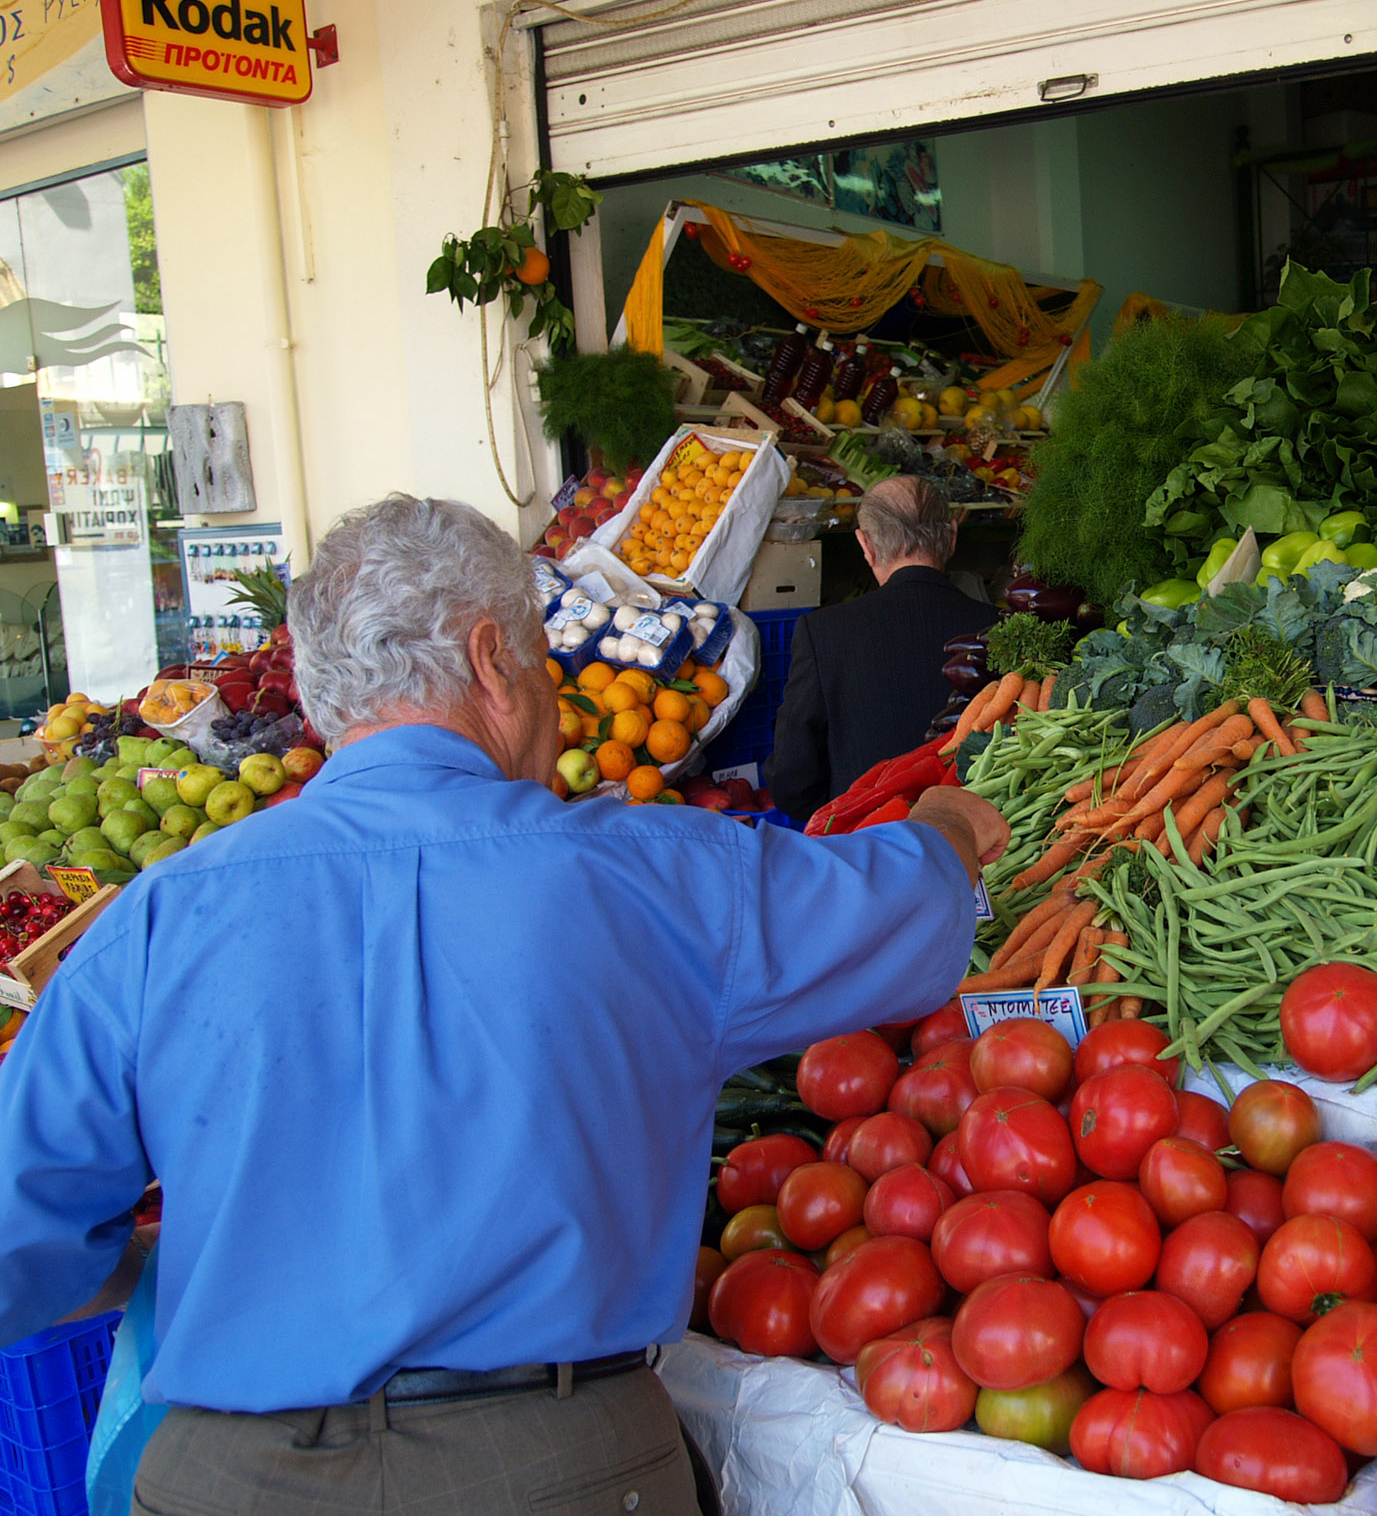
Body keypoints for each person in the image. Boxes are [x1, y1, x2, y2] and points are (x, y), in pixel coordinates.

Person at [0, 494, 1009, 1516]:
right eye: (540, 656)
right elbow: (900, 918)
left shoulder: (158, 917)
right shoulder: (653, 877)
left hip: (229, 1479)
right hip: (553, 1469)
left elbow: (14, 1247)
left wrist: (177, 1257)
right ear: (492, 659)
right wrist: (946, 829)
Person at [767, 475, 998, 825]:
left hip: (863, 841)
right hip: (979, 839)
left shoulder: (823, 631)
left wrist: (846, 812)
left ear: (866, 545)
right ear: (952, 537)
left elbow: (791, 781)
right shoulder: (1000, 628)